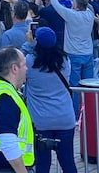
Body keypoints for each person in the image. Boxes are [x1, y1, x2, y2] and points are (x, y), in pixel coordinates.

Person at [24, 28, 77, 173]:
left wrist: (28, 44)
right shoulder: (65, 61)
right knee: (68, 162)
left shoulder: (30, 62)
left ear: (37, 41)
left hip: (41, 121)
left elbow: (20, 65)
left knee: (42, 164)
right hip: (64, 118)